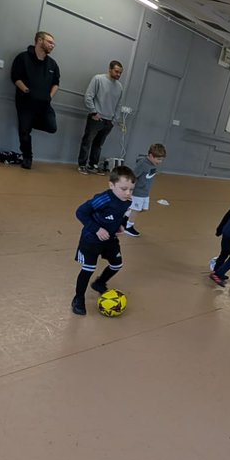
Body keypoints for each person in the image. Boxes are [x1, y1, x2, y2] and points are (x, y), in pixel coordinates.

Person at [71, 165, 136, 315]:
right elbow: (80, 212)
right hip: (91, 239)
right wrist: (97, 229)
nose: (128, 193)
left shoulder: (127, 201)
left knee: (117, 265)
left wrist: (121, 226)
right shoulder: (103, 199)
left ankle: (99, 283)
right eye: (124, 188)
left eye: (131, 189)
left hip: (110, 239)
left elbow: (124, 215)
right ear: (111, 185)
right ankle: (78, 298)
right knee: (88, 269)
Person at [10, 31, 59, 169]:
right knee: (24, 133)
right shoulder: (23, 58)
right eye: (50, 42)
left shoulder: (52, 64)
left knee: (52, 127)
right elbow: (15, 77)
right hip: (26, 102)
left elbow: (56, 83)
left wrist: (50, 96)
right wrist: (26, 90)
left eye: (53, 43)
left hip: (44, 104)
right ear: (39, 40)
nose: (52, 45)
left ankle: (28, 124)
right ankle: (27, 158)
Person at [77, 61, 124, 174]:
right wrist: (94, 112)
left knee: (99, 144)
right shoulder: (98, 79)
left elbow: (119, 104)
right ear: (110, 69)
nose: (118, 74)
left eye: (120, 73)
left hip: (109, 121)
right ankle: (82, 165)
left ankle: (93, 165)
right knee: (87, 141)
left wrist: (114, 120)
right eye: (116, 71)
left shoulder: (119, 87)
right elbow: (89, 96)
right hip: (96, 118)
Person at [124, 143, 167, 237]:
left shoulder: (152, 163)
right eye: (158, 159)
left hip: (145, 192)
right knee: (135, 210)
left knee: (143, 209)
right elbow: (133, 176)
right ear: (151, 156)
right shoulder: (143, 164)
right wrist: (129, 190)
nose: (160, 162)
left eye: (161, 159)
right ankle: (128, 227)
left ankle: (125, 216)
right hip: (138, 192)